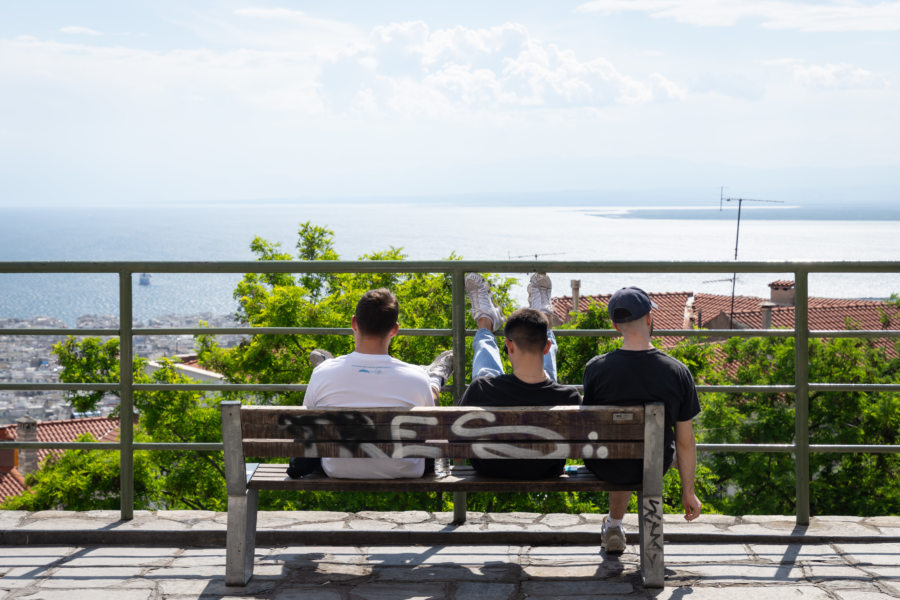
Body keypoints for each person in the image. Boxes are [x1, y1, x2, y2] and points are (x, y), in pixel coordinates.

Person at [582, 286, 702, 553]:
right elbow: (685, 441)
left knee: (619, 452)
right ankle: (629, 534)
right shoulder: (677, 372)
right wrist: (688, 491)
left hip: (605, 464)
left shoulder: (596, 369)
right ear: (649, 319)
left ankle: (613, 524)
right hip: (653, 464)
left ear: (616, 326)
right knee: (642, 455)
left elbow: (588, 422)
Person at [286, 288, 453, 479]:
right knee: (427, 396)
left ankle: (333, 366)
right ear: (395, 329)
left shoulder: (321, 374)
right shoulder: (416, 376)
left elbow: (305, 428)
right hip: (406, 468)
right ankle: (435, 379)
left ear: (354, 323)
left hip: (338, 469)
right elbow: (432, 432)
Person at [459, 272, 582, 479]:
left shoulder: (481, 388)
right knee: (547, 381)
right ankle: (544, 317)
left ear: (509, 346)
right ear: (547, 347)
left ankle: (485, 321)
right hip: (546, 470)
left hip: (490, 468)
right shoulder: (568, 397)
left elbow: (457, 441)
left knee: (486, 375)